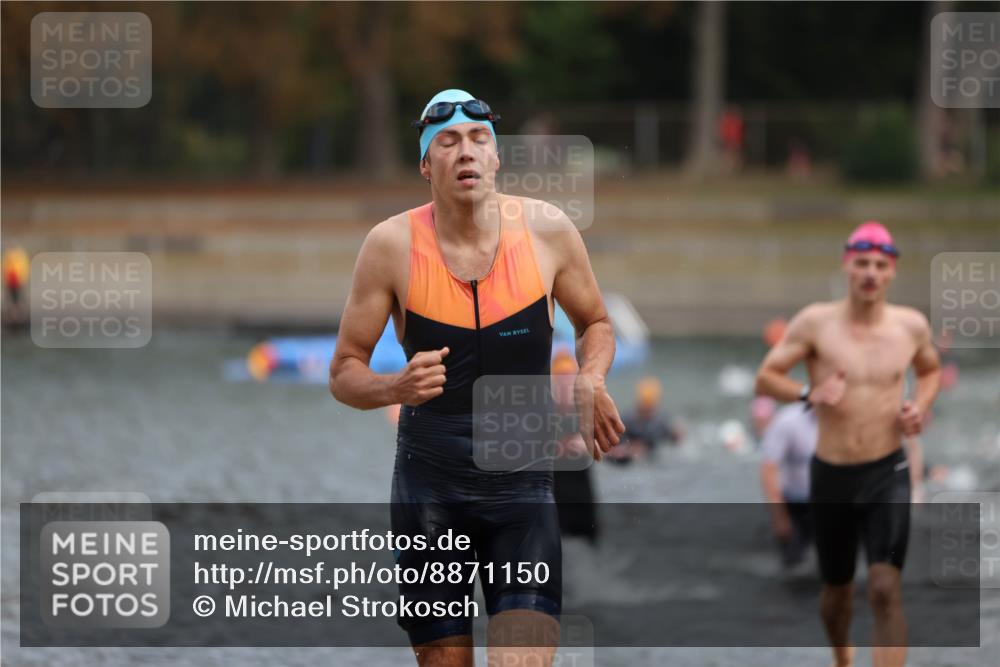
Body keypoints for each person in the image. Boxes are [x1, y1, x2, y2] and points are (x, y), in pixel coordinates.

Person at [328, 89, 624, 667]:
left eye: (478, 140)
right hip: (429, 492)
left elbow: (597, 321)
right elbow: (343, 371)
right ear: (425, 166)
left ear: (496, 159)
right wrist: (393, 387)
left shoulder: (548, 230)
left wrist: (591, 377)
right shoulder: (389, 245)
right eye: (447, 142)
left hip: (522, 491)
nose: (465, 152)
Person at [754, 221, 941, 667]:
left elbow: (931, 369)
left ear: (892, 270)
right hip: (833, 474)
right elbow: (766, 377)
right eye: (862, 264)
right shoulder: (816, 322)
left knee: (884, 587)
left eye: (880, 264)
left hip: (887, 472)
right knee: (837, 592)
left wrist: (920, 404)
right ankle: (842, 658)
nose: (871, 273)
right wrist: (808, 393)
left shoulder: (910, 326)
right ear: (847, 265)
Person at [758, 402, 817, 570]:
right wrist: (779, 516)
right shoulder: (789, 421)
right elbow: (768, 468)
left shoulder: (847, 420)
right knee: (793, 564)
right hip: (795, 503)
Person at [609, 377, 681, 463]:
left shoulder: (663, 422)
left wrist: (677, 434)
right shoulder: (627, 418)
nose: (646, 410)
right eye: (644, 405)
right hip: (631, 453)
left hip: (650, 455)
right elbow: (614, 440)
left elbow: (676, 440)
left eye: (649, 407)